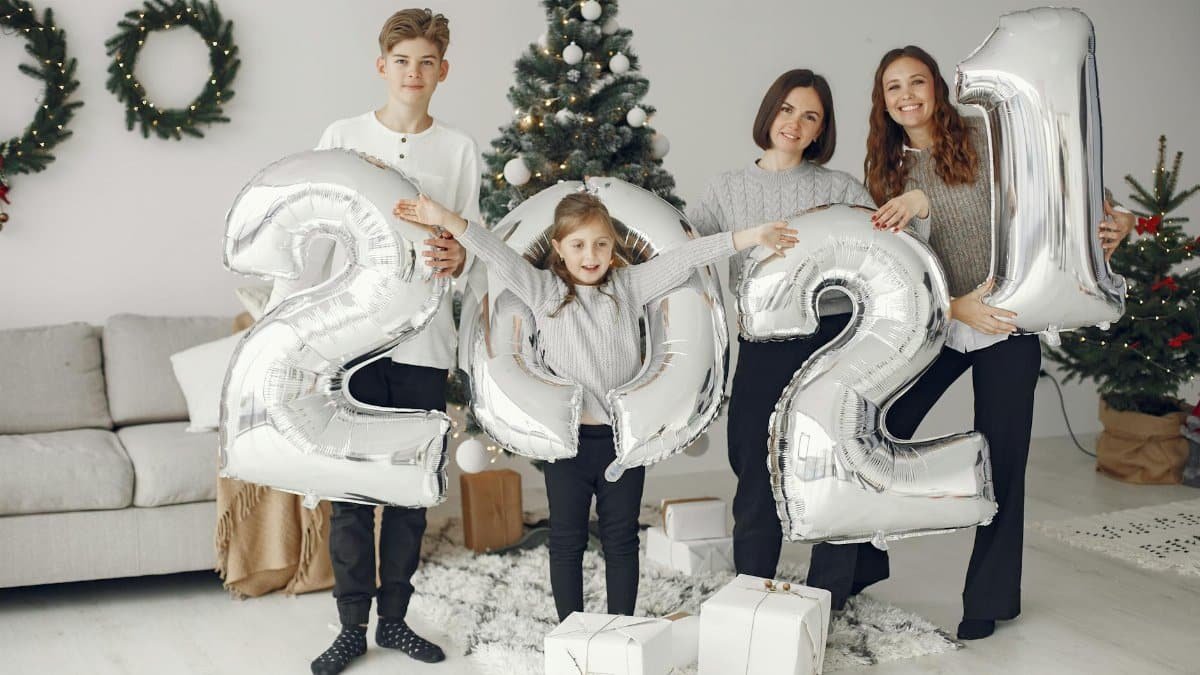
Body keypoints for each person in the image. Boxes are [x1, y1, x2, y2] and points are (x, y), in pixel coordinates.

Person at [806, 45, 1130, 641]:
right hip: (942, 319)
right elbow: (897, 265)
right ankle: (847, 570)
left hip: (1006, 321)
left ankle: (990, 598)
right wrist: (953, 306)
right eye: (893, 87)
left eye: (917, 81)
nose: (907, 95)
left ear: (937, 88)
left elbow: (1065, 183)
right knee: (864, 433)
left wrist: (1119, 218)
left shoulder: (986, 135)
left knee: (1004, 461)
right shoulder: (885, 169)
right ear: (882, 101)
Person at [394, 189, 796, 621]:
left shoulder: (629, 287)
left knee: (621, 539)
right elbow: (493, 250)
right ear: (559, 248)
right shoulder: (544, 290)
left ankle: (621, 628)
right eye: (579, 245)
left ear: (613, 248)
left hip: (623, 444)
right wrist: (441, 215)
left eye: (601, 244)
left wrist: (753, 235)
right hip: (569, 447)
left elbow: (687, 257)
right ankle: (572, 630)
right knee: (566, 540)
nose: (591, 255)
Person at [264, 10, 480, 674]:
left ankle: (395, 619)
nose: (413, 73)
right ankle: (351, 625)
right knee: (350, 494)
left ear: (442, 71)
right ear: (380, 66)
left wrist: (457, 258)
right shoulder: (342, 136)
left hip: (423, 344)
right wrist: (284, 327)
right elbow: (315, 230)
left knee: (412, 491)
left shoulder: (458, 149)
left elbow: (469, 243)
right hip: (350, 345)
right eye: (401, 60)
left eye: (426, 62)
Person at [687, 68, 926, 579]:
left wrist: (923, 206)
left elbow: (887, 252)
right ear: (770, 111)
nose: (795, 123)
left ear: (821, 131)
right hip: (764, 342)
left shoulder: (840, 186)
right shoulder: (727, 188)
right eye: (788, 109)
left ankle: (832, 590)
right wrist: (744, 238)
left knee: (832, 461)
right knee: (754, 463)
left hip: (835, 342)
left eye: (811, 116)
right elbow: (690, 255)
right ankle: (751, 585)